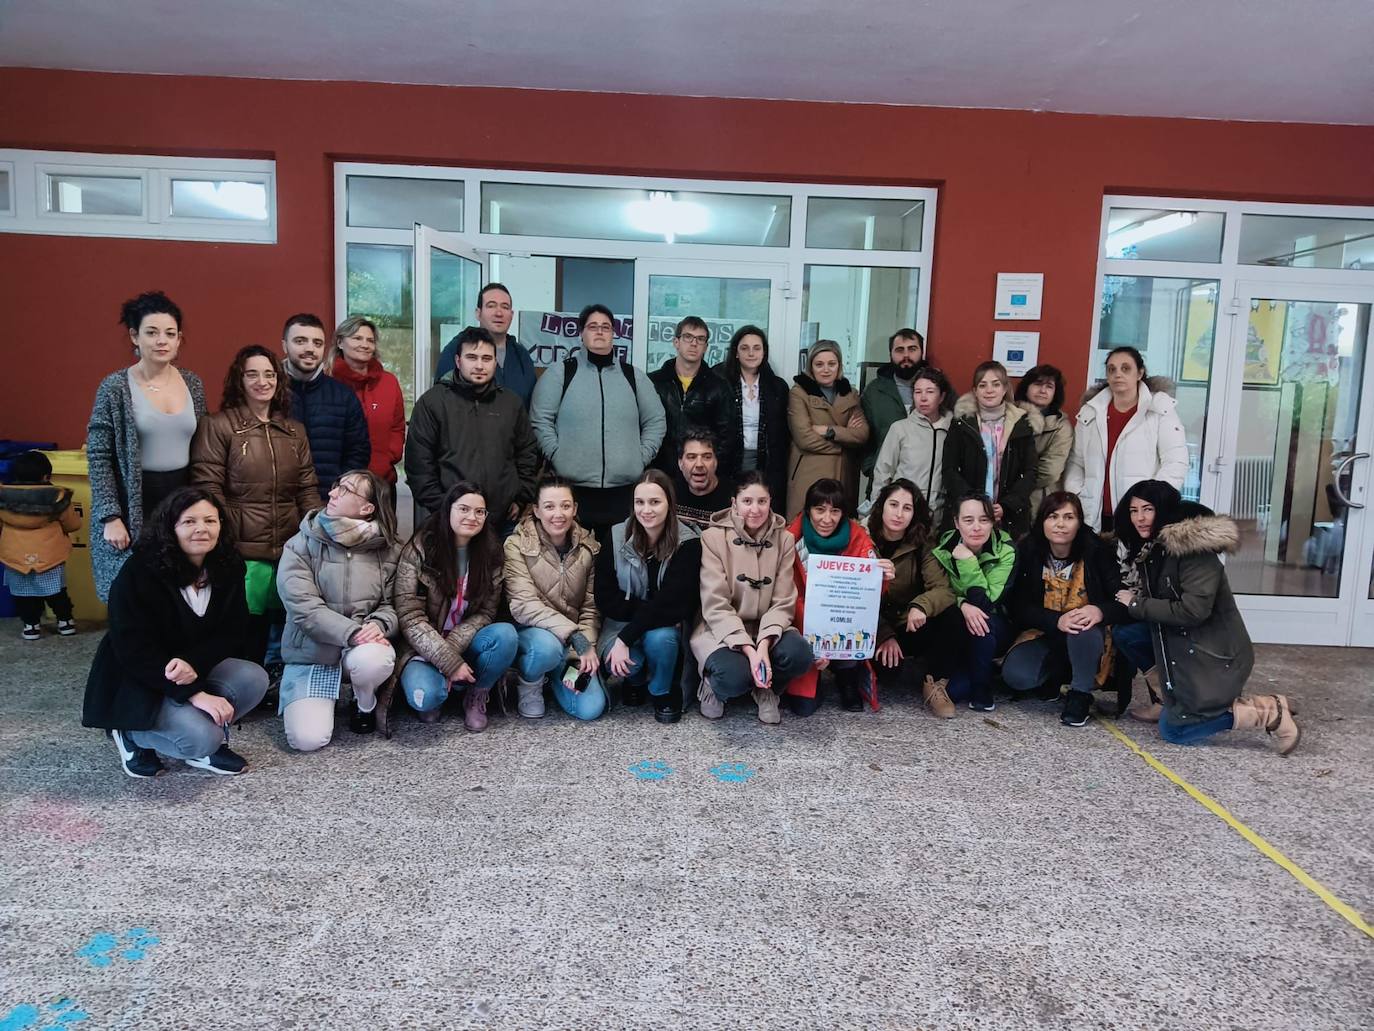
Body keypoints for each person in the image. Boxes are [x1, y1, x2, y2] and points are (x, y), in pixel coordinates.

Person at [82, 487, 268, 778]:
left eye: (210, 520)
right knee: (202, 738)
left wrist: (192, 663)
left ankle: (196, 735)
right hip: (139, 674)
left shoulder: (228, 564)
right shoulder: (140, 571)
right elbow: (132, 647)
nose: (201, 529)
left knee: (253, 677)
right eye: (189, 522)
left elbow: (233, 630)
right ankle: (130, 733)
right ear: (170, 527)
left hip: (189, 665)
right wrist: (193, 693)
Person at [1112, 480, 1299, 753]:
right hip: (1184, 641)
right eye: (1133, 510)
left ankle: (1269, 711)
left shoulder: (1193, 551)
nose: (1139, 517)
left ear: (1163, 510)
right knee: (1126, 634)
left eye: (1148, 509)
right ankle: (1168, 700)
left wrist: (1137, 604)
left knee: (1175, 731)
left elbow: (1193, 611)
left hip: (1213, 654)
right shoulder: (1154, 548)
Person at [190, 346, 322, 664]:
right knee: (246, 629)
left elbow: (307, 488)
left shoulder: (294, 431)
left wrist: (319, 532)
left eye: (269, 374)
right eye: (252, 374)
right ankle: (244, 684)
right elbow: (208, 488)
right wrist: (224, 538)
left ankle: (276, 683)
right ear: (239, 379)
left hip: (291, 545)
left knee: (287, 622)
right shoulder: (218, 426)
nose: (262, 381)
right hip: (243, 549)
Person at [88, 290, 208, 601]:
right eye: (151, 332)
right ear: (134, 336)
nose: (161, 341)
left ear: (179, 339)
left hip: (179, 499)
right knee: (134, 593)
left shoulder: (192, 383)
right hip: (133, 500)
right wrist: (110, 516)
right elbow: (99, 455)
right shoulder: (115, 387)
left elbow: (202, 444)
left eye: (170, 333)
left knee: (180, 588)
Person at [276, 469, 401, 750]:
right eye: (336, 486)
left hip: (360, 650)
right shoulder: (300, 544)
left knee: (372, 661)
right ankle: (317, 699)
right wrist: (352, 633)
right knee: (307, 740)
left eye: (345, 490)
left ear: (367, 508)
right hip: (313, 653)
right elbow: (303, 608)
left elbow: (396, 603)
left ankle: (365, 702)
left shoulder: (389, 550)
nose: (332, 493)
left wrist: (380, 624)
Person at [529, 304, 666, 540]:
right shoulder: (561, 373)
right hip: (573, 492)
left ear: (614, 333)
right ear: (581, 332)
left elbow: (656, 420)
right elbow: (540, 419)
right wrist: (557, 454)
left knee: (615, 564)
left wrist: (640, 456)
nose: (600, 332)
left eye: (606, 327)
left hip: (623, 492)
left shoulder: (634, 376)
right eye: (593, 326)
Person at [393, 480, 518, 732]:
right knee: (427, 700)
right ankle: (444, 685)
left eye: (479, 512)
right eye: (464, 509)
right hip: (423, 645)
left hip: (465, 640)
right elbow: (409, 616)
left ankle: (476, 693)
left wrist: (451, 655)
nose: (472, 517)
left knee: (505, 635)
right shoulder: (421, 548)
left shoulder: (491, 553)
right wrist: (447, 661)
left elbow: (486, 613)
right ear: (447, 509)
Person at [691, 471, 813, 725]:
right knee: (733, 677)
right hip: (722, 630)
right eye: (747, 501)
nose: (755, 509)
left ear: (770, 502)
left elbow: (783, 601)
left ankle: (766, 688)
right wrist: (749, 649)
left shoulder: (785, 539)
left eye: (762, 502)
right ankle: (712, 687)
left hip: (767, 629)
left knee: (800, 654)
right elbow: (716, 604)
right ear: (734, 503)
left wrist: (764, 646)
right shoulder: (713, 538)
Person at [1003, 492, 1128, 727]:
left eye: (1069, 517)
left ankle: (1080, 694)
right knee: (1017, 676)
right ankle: (1055, 676)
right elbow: (1017, 606)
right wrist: (1056, 620)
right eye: (1053, 516)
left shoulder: (1097, 551)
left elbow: (1122, 602)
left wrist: (1100, 611)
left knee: (1082, 623)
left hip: (1087, 632)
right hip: (1045, 629)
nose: (1060, 524)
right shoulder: (1028, 549)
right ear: (1042, 521)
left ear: (1079, 522)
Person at [405, 325, 540, 529]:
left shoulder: (511, 403)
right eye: (472, 357)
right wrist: (441, 506)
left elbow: (527, 453)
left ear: (495, 362)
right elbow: (419, 463)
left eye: (486, 359)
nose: (479, 365)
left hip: (502, 520)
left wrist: (521, 498)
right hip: (449, 519)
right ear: (458, 361)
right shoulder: (433, 402)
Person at [596, 469, 703, 724]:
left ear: (670, 504)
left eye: (655, 502)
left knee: (663, 639)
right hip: (620, 625)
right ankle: (634, 680)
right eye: (640, 502)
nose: (646, 510)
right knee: (626, 663)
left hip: (663, 628)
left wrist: (626, 638)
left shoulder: (688, 542)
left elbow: (676, 604)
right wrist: (630, 629)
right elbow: (605, 596)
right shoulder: (614, 535)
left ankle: (661, 690)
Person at [504, 476, 604, 722]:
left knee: (591, 709)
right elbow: (523, 605)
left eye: (565, 506)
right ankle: (530, 683)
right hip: (534, 636)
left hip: (571, 642)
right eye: (549, 506)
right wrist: (575, 636)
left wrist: (579, 652)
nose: (558, 514)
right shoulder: (516, 545)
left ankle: (556, 675)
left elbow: (591, 609)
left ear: (575, 509)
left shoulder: (589, 549)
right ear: (536, 510)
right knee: (546, 648)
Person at [785, 478, 884, 716]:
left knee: (850, 622)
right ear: (808, 510)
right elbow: (784, 595)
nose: (827, 519)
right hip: (801, 624)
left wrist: (884, 577)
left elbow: (869, 597)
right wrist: (815, 639)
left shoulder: (858, 538)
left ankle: (847, 676)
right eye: (819, 510)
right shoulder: (789, 540)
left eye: (835, 511)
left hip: (842, 624)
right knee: (803, 708)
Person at [1064, 346, 1188, 533]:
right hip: (1094, 516)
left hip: (1140, 518)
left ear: (1140, 373)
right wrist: (1078, 495)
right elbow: (1076, 463)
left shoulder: (1160, 410)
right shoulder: (1090, 412)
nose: (1117, 374)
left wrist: (1151, 502)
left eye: (1125, 368)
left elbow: (1175, 462)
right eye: (1111, 369)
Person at [867, 478, 957, 717]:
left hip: (907, 620)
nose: (899, 514)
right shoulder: (862, 537)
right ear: (881, 506)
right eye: (893, 505)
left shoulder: (922, 543)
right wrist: (884, 634)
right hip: (871, 625)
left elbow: (943, 589)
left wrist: (921, 605)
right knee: (888, 674)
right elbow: (852, 595)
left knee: (951, 615)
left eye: (907, 508)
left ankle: (935, 681)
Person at [932, 494, 1016, 712]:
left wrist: (968, 561)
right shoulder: (944, 546)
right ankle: (972, 671)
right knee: (953, 690)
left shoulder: (1005, 549)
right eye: (968, 520)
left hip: (996, 622)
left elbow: (986, 602)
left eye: (984, 520)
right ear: (956, 523)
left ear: (993, 522)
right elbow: (941, 590)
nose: (976, 527)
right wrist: (963, 604)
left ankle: (982, 686)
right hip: (960, 621)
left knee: (982, 622)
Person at [943, 361, 1041, 538]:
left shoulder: (1022, 424)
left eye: (996, 384)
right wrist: (974, 505)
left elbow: (1030, 472)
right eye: (983, 385)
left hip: (1009, 516)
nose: (989, 390)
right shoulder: (961, 423)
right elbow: (949, 470)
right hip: (967, 514)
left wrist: (1007, 505)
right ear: (975, 391)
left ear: (1005, 389)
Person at [280, 312, 371, 489]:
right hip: (278, 506)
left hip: (328, 504)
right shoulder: (268, 394)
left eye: (317, 343)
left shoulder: (344, 396)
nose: (310, 349)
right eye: (300, 341)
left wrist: (340, 490)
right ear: (284, 345)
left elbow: (358, 452)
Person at [0, 451, 82, 640]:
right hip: (50, 555)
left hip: (14, 556)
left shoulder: (3, 497)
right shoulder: (57, 497)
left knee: (23, 595)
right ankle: (65, 622)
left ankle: (31, 626)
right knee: (56, 592)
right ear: (46, 476)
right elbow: (72, 524)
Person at [786, 340, 869, 517]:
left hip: (843, 475)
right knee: (804, 528)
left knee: (839, 529)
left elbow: (862, 434)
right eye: (819, 364)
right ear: (811, 367)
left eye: (832, 364)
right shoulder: (799, 393)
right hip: (809, 473)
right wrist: (844, 441)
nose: (826, 369)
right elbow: (804, 438)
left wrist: (828, 431)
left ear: (839, 365)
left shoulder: (850, 393)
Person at [871, 366, 955, 526]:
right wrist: (878, 509)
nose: (923, 398)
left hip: (939, 516)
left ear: (942, 396)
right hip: (903, 514)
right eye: (918, 392)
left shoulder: (952, 429)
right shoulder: (900, 428)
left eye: (930, 392)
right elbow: (883, 472)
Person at [648, 316, 734, 474]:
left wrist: (710, 470)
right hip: (659, 472)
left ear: (706, 346)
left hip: (701, 474)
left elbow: (726, 438)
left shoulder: (719, 386)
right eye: (688, 337)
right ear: (676, 342)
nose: (694, 343)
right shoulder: (653, 382)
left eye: (700, 339)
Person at [432, 283, 538, 408]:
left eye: (505, 307)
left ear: (511, 315)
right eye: (491, 306)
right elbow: (442, 402)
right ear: (478, 313)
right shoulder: (457, 349)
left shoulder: (522, 355)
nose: (499, 313)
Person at [331, 316, 406, 489]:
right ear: (340, 342)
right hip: (340, 484)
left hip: (382, 482)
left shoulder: (389, 382)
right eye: (357, 338)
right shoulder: (329, 382)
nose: (365, 345)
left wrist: (387, 458)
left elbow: (397, 427)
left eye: (370, 340)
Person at [721, 325, 790, 505]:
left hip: (766, 461)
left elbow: (783, 432)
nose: (751, 353)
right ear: (736, 352)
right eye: (745, 348)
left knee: (759, 508)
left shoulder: (777, 387)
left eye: (757, 348)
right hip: (729, 459)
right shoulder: (720, 382)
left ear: (764, 352)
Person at [860, 329, 927, 494]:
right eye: (899, 350)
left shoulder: (937, 389)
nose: (906, 355)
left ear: (922, 352)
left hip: (926, 484)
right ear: (890, 354)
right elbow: (862, 437)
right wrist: (871, 466)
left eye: (912, 349)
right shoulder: (874, 391)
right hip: (884, 484)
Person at [1015, 364, 1074, 513]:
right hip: (1000, 499)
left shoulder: (1061, 425)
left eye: (1049, 386)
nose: (1042, 390)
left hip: (1039, 500)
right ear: (1026, 387)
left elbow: (1050, 471)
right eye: (1037, 384)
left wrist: (1015, 486)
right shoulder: (1009, 415)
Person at [672, 429, 735, 531]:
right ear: (680, 463)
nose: (699, 464)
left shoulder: (734, 497)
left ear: (716, 462)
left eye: (707, 457)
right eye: (691, 457)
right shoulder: (669, 494)